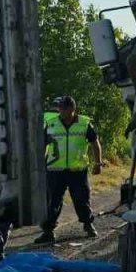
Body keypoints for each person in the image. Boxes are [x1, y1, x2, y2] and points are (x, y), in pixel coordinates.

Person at [39, 96, 102, 243]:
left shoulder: (84, 124)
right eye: (59, 108)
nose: (60, 111)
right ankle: (48, 231)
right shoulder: (51, 124)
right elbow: (42, 144)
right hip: (55, 169)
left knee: (82, 199)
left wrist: (98, 163)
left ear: (72, 109)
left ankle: (88, 224)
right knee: (52, 201)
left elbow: (95, 143)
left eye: (64, 108)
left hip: (77, 170)